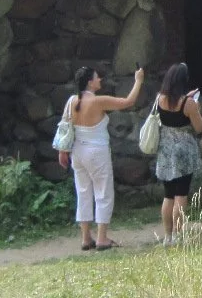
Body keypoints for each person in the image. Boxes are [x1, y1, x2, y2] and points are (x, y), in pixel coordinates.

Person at [57, 64, 144, 251]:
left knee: (83, 192)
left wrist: (62, 151)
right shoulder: (98, 101)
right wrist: (138, 81)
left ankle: (85, 237)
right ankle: (102, 238)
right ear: (90, 82)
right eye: (97, 78)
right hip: (97, 152)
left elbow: (64, 127)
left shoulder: (72, 100)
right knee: (103, 193)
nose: (100, 80)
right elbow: (129, 101)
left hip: (77, 152)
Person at [154, 62, 202, 246]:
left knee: (168, 195)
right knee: (181, 194)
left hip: (166, 150)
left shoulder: (159, 99)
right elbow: (199, 128)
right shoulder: (188, 103)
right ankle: (178, 235)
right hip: (184, 150)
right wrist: (195, 105)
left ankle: (168, 236)